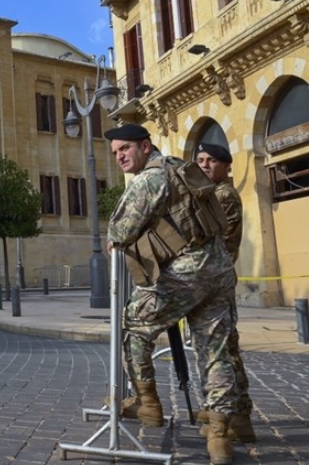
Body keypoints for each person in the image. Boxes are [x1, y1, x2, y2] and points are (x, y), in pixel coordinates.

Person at [105, 124, 239, 465]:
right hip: (220, 269)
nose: (119, 156)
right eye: (115, 152)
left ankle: (147, 401)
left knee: (133, 324)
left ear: (145, 146)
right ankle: (221, 437)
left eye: (125, 149)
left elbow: (119, 231)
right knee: (215, 349)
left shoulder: (151, 178)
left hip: (186, 272)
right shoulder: (181, 166)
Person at [196, 142, 255, 443]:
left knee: (224, 352)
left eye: (211, 160)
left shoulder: (223, 195)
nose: (205, 164)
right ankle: (230, 412)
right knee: (220, 350)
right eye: (201, 159)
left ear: (226, 166)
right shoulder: (209, 195)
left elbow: (205, 238)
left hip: (216, 282)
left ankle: (237, 417)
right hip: (209, 281)